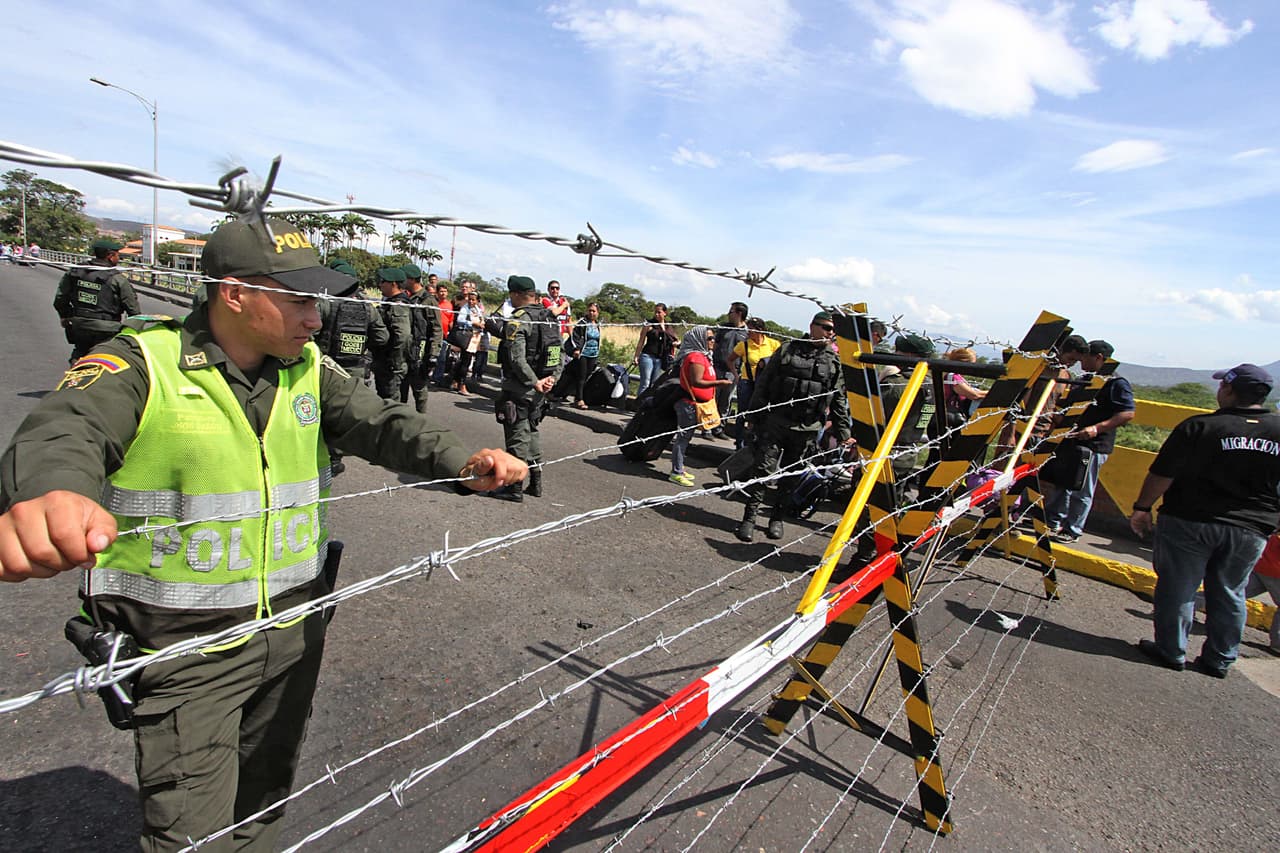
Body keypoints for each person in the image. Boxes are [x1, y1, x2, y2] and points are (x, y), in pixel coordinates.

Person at [0, 215, 527, 851]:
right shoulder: (140, 363)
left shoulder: (306, 367)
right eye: (299, 300)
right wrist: (52, 493)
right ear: (235, 294)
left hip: (294, 629)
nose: (315, 318)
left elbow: (383, 422)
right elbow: (67, 429)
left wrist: (461, 460)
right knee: (192, 834)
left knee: (264, 805)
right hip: (187, 648)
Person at [1131, 363, 1280, 677]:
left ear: (1228, 389)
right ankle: (1220, 659)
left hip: (1190, 520)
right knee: (1230, 591)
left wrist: (1142, 507)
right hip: (1251, 528)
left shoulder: (1199, 427)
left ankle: (1171, 650)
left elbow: (1162, 473)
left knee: (1178, 586)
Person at [735, 311, 850, 542]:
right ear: (812, 326)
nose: (830, 333)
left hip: (807, 428)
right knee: (762, 471)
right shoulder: (788, 350)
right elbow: (764, 384)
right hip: (776, 422)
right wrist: (753, 416)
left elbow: (838, 398)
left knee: (791, 477)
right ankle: (749, 518)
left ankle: (776, 518)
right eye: (826, 327)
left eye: (833, 330)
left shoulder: (834, 361)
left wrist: (843, 431)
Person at [1044, 339, 1135, 543]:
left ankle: (1072, 529)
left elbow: (1127, 413)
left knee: (1082, 488)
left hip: (1094, 445)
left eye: (1084, 357)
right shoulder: (1086, 379)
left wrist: (1096, 428)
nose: (1080, 362)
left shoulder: (1116, 383)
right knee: (1063, 483)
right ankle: (1052, 520)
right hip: (1072, 440)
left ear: (1099, 358)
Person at [494, 275, 563, 501]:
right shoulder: (549, 317)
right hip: (541, 390)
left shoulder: (519, 319)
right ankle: (536, 483)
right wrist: (551, 379)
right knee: (532, 434)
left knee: (517, 436)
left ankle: (514, 488)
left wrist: (534, 381)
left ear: (516, 294)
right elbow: (559, 353)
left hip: (521, 387)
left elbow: (517, 358)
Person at [53, 237, 141, 362]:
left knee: (79, 355)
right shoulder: (117, 279)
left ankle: (75, 371)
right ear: (110, 256)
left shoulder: (75, 272)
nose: (118, 259)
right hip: (107, 329)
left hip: (80, 325)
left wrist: (65, 316)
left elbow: (60, 298)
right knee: (108, 360)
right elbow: (133, 310)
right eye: (118, 255)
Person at [669, 325, 733, 487]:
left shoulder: (704, 356)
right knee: (683, 438)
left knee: (686, 437)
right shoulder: (696, 357)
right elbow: (697, 381)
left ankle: (679, 468)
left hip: (696, 403)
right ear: (699, 340)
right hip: (689, 404)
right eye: (709, 338)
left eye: (713, 338)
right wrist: (720, 383)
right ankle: (676, 472)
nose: (713, 341)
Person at [728, 317, 780, 449]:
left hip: (764, 384)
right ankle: (739, 443)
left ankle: (753, 443)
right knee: (742, 413)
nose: (748, 332)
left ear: (760, 330)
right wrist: (736, 375)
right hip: (747, 382)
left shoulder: (773, 344)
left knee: (759, 413)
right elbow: (730, 360)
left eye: (751, 329)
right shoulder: (744, 345)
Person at [401, 263, 440, 412]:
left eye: (405, 278)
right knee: (401, 389)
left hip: (420, 351)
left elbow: (437, 329)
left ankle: (421, 419)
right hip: (405, 350)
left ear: (412, 279)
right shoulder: (406, 297)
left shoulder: (428, 300)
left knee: (419, 390)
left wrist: (433, 354)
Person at [371, 267, 411, 400]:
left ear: (393, 284)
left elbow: (402, 335)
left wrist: (395, 362)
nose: (380, 284)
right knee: (384, 397)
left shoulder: (398, 305)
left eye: (383, 281)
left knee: (390, 401)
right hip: (385, 360)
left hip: (391, 363)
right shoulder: (390, 302)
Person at [711, 301, 749, 440]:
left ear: (739, 313)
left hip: (733, 371)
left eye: (731, 311)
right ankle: (707, 427)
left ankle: (719, 428)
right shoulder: (724, 328)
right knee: (713, 399)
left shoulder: (747, 333)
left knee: (725, 401)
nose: (728, 314)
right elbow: (715, 346)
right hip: (717, 367)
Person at [632, 303, 676, 398]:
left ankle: (647, 405)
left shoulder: (668, 327)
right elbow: (641, 341)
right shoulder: (649, 324)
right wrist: (636, 356)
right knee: (645, 383)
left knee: (654, 384)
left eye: (659, 312)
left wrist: (675, 344)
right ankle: (639, 404)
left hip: (659, 358)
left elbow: (674, 339)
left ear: (665, 313)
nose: (656, 314)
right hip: (647, 356)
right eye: (655, 312)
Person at [450, 290, 486, 395]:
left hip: (475, 337)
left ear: (478, 301)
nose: (471, 301)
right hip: (467, 337)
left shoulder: (477, 309)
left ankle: (455, 381)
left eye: (473, 300)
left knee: (464, 360)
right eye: (469, 299)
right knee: (466, 360)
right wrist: (473, 323)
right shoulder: (465, 308)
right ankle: (462, 384)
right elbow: (460, 320)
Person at [570, 302, 603, 409]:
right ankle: (579, 399)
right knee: (582, 376)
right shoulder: (582, 323)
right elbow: (575, 336)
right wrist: (576, 349)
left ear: (598, 313)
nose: (591, 313)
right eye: (590, 310)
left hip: (593, 354)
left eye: (594, 311)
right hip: (583, 353)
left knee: (588, 375)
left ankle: (581, 396)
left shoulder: (597, 324)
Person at [431, 280, 455, 386]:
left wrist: (451, 333)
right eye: (441, 291)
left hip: (444, 335)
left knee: (442, 358)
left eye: (445, 291)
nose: (443, 293)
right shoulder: (433, 303)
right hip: (433, 333)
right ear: (437, 292)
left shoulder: (449, 305)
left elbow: (451, 320)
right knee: (431, 355)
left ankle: (438, 377)